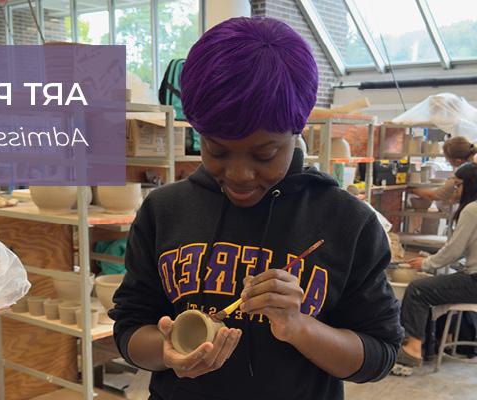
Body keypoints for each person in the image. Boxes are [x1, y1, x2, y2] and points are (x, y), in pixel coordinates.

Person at [109, 17, 403, 400]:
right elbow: (130, 328)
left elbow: (380, 354)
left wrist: (299, 327)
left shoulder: (347, 221)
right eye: (217, 150)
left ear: (296, 133)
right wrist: (166, 354)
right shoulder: (164, 209)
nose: (240, 174)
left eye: (265, 154)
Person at [397, 162, 477, 371]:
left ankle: (412, 349)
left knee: (418, 290)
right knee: (439, 283)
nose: (455, 190)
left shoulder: (472, 209)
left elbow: (454, 250)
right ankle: (434, 343)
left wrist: (426, 263)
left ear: (470, 185)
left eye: (458, 185)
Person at [410, 136, 476, 203]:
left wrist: (412, 190)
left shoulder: (462, 173)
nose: (448, 162)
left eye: (448, 159)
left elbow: (431, 195)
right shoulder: (472, 165)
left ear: (457, 161)